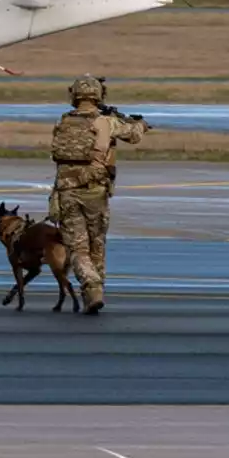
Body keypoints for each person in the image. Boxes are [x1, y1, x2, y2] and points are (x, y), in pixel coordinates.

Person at [48, 74, 150, 314]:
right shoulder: (106, 121)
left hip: (67, 191)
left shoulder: (63, 122)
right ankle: (95, 289)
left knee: (77, 248)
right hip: (96, 192)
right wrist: (142, 125)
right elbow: (134, 135)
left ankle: (91, 289)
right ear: (98, 95)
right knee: (97, 244)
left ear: (74, 95)